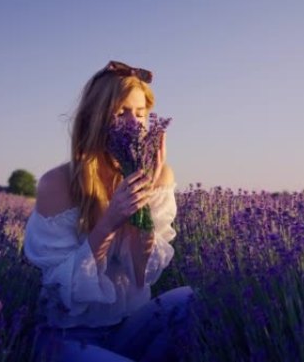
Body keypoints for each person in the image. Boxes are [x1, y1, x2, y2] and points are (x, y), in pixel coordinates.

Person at [24, 60, 194, 361]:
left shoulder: (160, 178)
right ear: (96, 118)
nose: (133, 124)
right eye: (121, 113)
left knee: (189, 301)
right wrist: (112, 218)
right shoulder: (57, 184)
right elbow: (65, 291)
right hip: (67, 336)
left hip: (126, 327)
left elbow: (142, 276)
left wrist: (144, 205)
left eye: (140, 115)